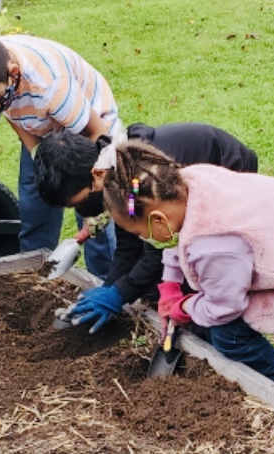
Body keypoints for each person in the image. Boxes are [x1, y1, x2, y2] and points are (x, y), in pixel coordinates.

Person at [100, 142, 274, 389]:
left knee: (228, 334)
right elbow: (177, 242)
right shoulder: (187, 184)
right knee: (207, 300)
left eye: (140, 233)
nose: (144, 239)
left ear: (158, 220)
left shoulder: (213, 246)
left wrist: (183, 307)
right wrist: (171, 285)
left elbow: (226, 306)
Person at [34, 122, 259, 330]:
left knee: (201, 262)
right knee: (158, 281)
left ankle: (222, 322)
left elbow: (157, 249)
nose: (84, 210)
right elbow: (129, 245)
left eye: (81, 201)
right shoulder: (114, 172)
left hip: (229, 172)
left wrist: (120, 294)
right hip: (187, 184)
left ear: (94, 174)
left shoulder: (135, 181)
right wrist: (109, 288)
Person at [0, 27, 123, 277]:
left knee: (92, 208)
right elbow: (13, 113)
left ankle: (106, 280)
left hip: (90, 131)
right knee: (34, 205)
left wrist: (95, 188)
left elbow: (97, 134)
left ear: (13, 73)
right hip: (43, 128)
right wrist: (37, 154)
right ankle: (35, 277)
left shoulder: (51, 87)